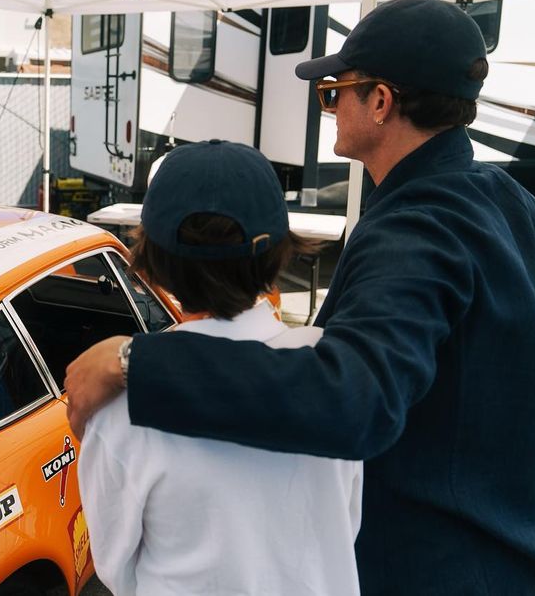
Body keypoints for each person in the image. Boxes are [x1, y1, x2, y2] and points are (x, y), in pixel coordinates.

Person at [65, 0, 535, 593]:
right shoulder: (509, 199)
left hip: (453, 568)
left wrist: (135, 362)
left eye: (335, 92)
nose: (328, 108)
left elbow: (353, 398)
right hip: (529, 552)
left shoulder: (418, 227)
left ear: (381, 102)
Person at [77, 140, 362, 595]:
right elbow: (345, 524)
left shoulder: (119, 407)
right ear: (279, 250)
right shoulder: (335, 371)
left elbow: (116, 571)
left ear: (154, 261)